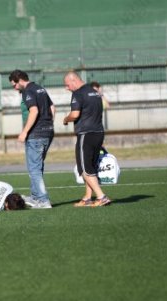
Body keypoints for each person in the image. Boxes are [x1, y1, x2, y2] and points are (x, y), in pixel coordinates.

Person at [62, 71, 112, 207]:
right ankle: (88, 197)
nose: (66, 88)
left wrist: (66, 119)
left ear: (73, 81)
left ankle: (101, 196)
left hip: (86, 134)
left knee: (84, 169)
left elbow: (75, 114)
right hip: (99, 132)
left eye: (67, 85)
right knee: (91, 166)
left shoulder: (78, 93)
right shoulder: (94, 92)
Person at [8, 69, 55, 209]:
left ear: (20, 80)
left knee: (34, 169)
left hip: (36, 134)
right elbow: (52, 107)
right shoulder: (40, 88)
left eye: (14, 85)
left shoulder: (27, 91)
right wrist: (49, 124)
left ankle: (42, 200)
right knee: (37, 166)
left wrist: (24, 132)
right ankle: (35, 196)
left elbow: (34, 111)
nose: (15, 88)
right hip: (47, 132)